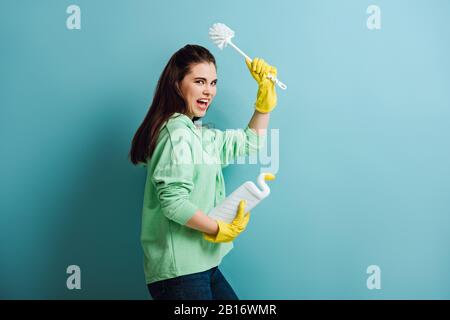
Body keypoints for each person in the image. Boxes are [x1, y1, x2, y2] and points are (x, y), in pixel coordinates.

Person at [129, 44, 278, 300]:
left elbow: (249, 143)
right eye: (199, 81)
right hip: (180, 274)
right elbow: (173, 203)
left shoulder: (198, 135)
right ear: (177, 84)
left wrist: (263, 104)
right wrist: (217, 228)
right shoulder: (176, 134)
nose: (208, 91)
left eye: (213, 82)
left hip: (204, 266)